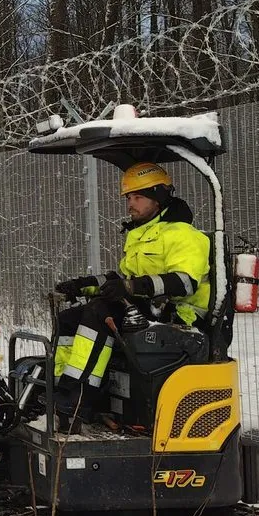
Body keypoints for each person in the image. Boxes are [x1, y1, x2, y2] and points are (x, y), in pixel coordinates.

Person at [49, 162, 210, 429]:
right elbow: (124, 281)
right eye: (128, 198)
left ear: (157, 198)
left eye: (137, 197)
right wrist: (85, 284)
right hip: (146, 308)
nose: (130, 204)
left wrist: (132, 289)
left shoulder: (183, 235)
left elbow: (184, 283)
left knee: (99, 312)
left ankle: (77, 401)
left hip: (178, 315)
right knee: (69, 318)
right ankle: (61, 389)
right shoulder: (142, 234)